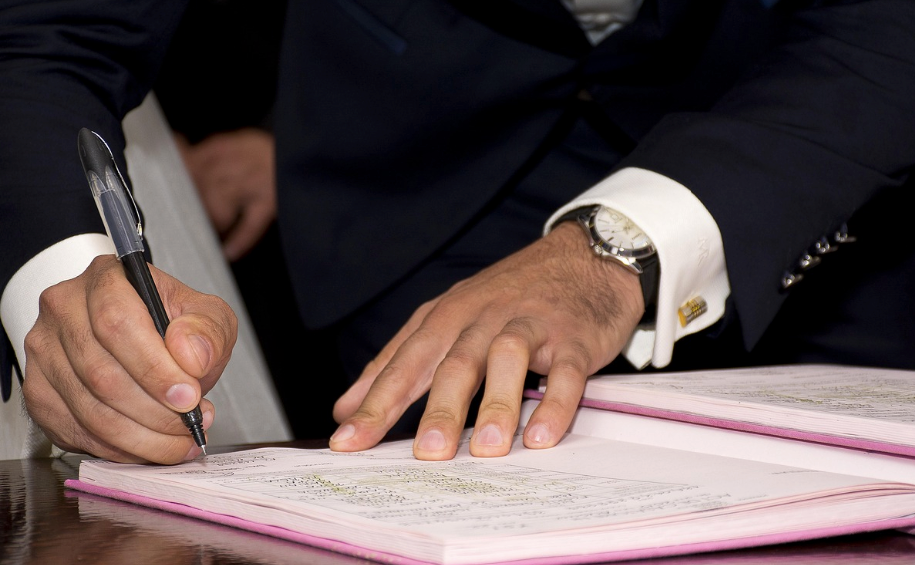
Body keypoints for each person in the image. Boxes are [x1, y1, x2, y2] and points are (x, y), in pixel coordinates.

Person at [1, 0, 913, 464]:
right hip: (431, 199)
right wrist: (66, 268)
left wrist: (615, 247)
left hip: (818, 197)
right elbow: (44, 35)